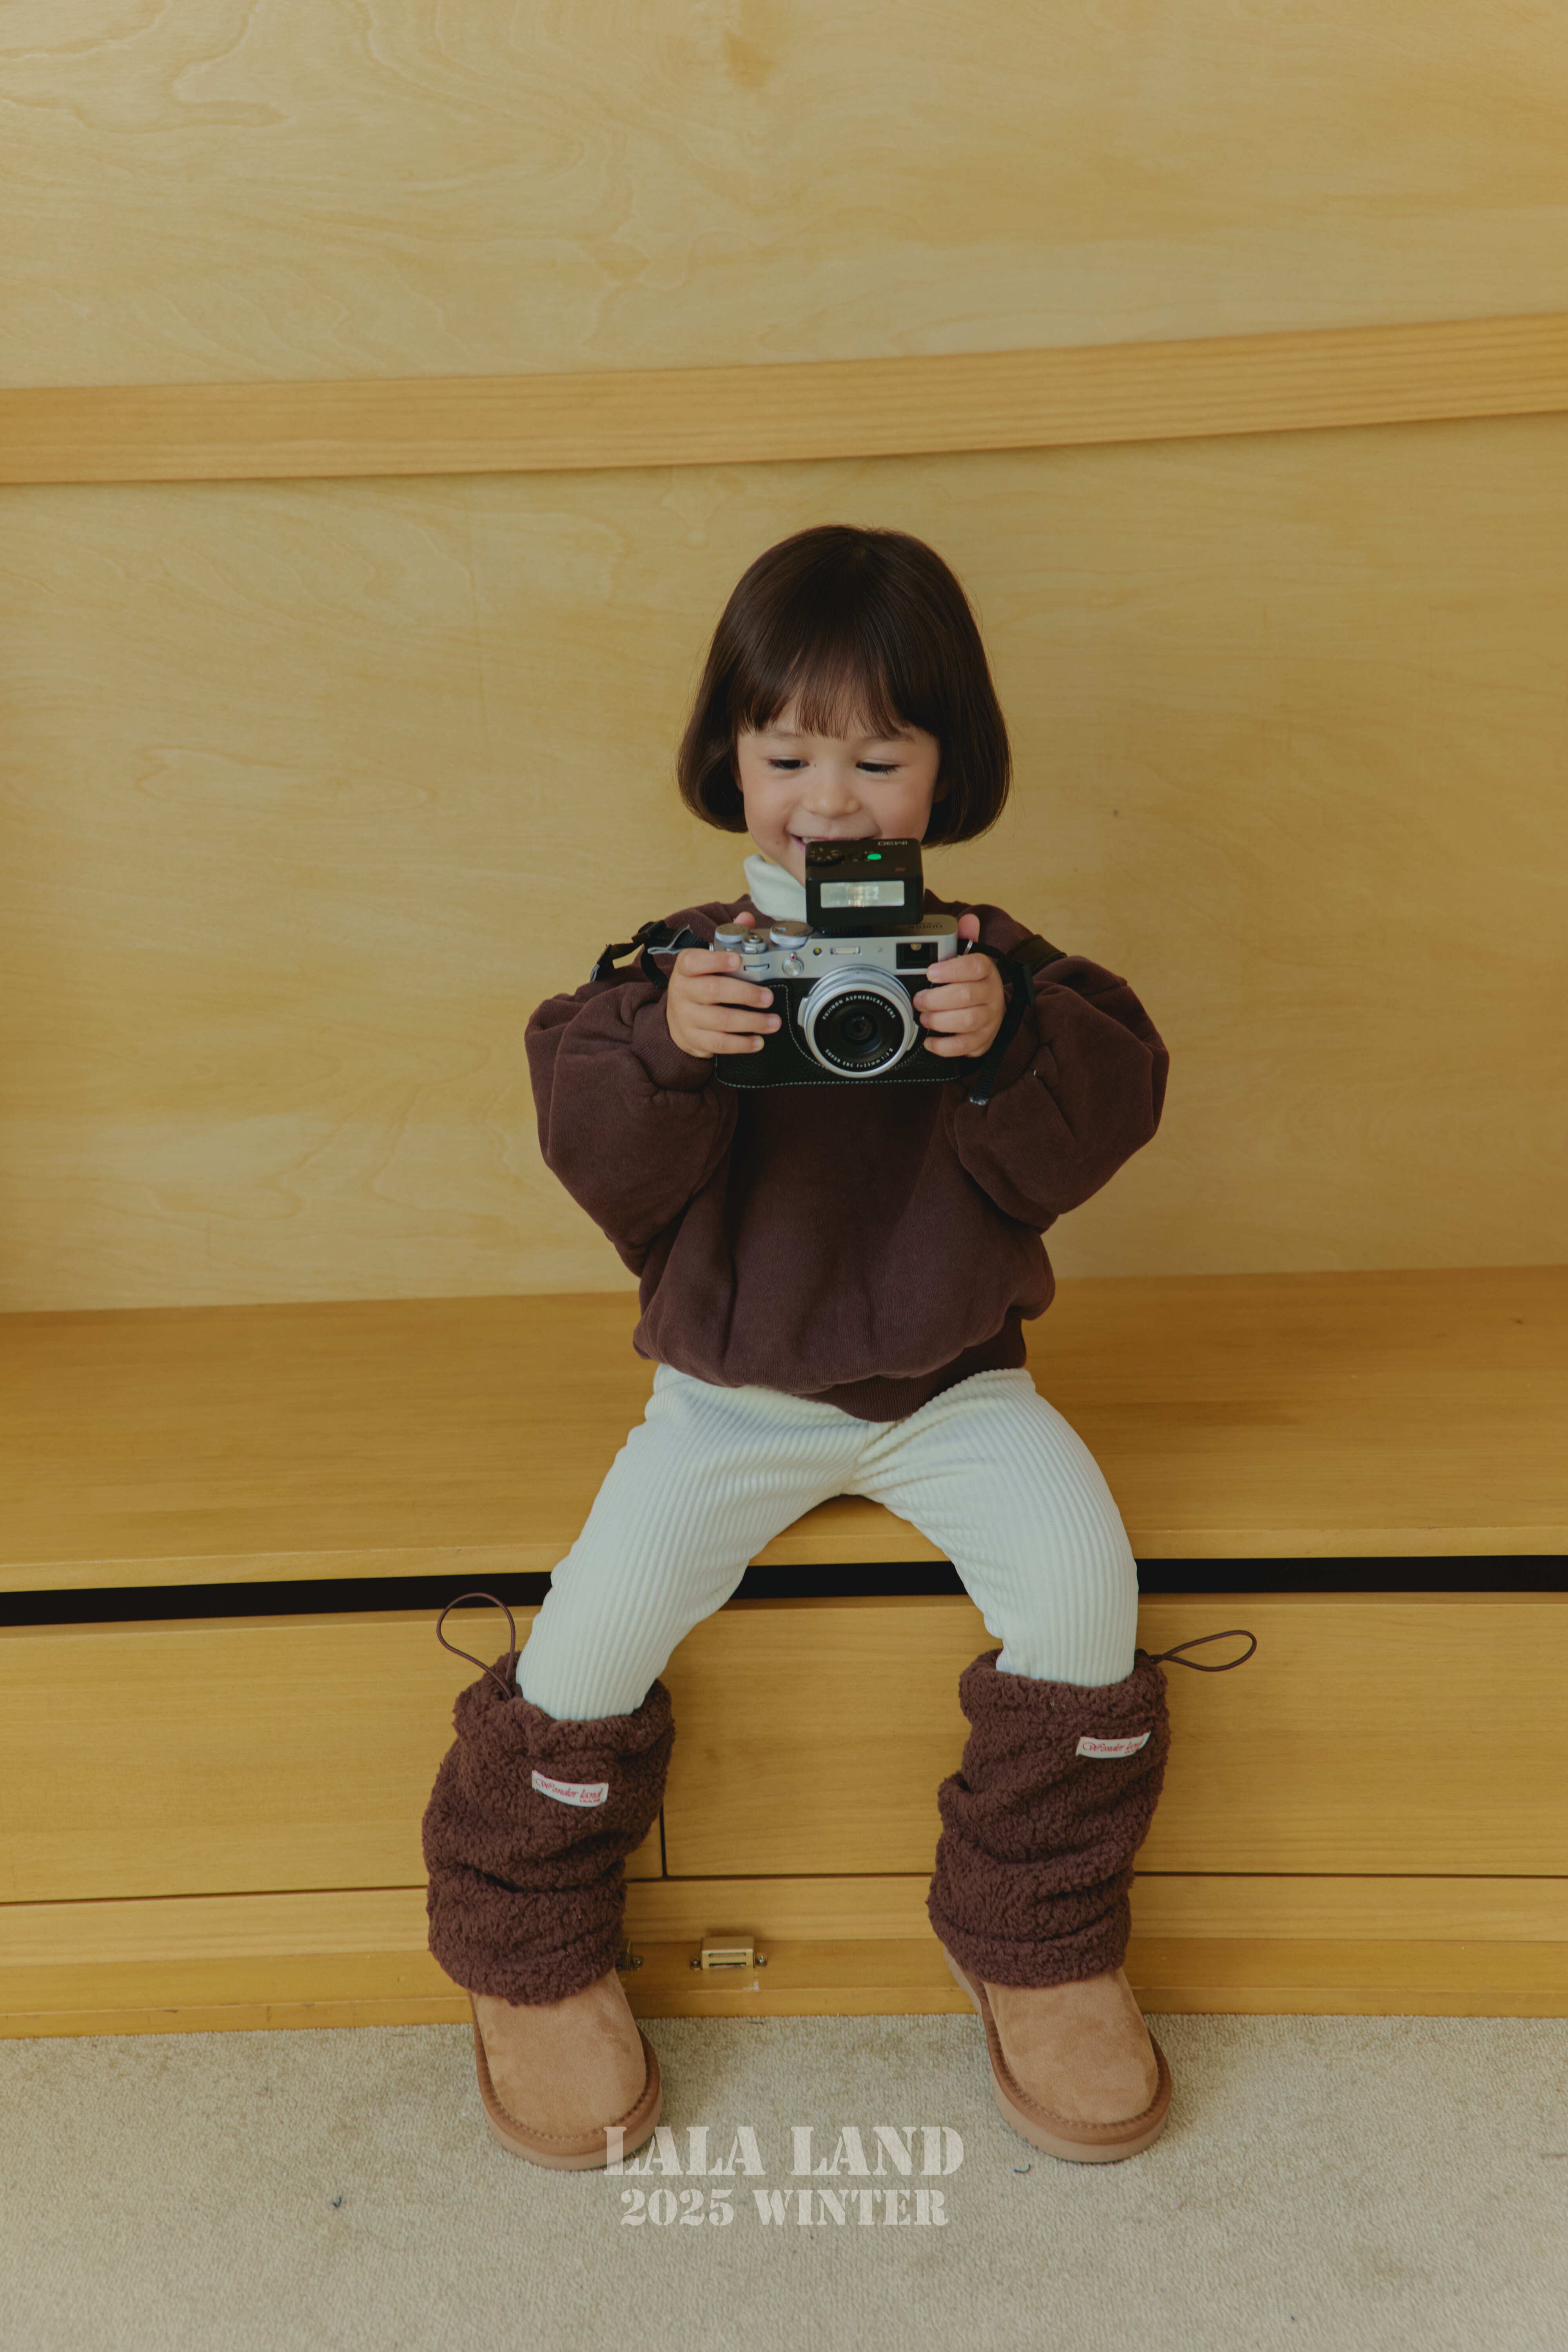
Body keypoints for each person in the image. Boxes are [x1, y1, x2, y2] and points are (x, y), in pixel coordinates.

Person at [423, 523, 1183, 2171]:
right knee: (584, 1645)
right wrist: (672, 1046)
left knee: (1086, 1602)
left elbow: (1103, 1113)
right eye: (787, 758)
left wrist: (1008, 1044)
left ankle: (1038, 1935)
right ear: (730, 760)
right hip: (728, 1398)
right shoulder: (679, 972)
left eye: (878, 760)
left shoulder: (993, 969)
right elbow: (595, 1153)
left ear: (949, 767)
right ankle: (524, 1946)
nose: (831, 803)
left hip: (956, 1386)